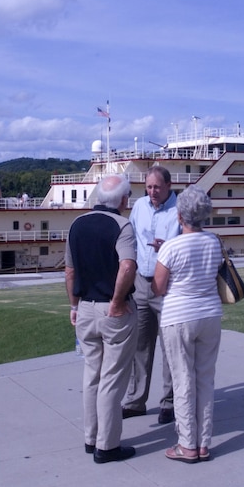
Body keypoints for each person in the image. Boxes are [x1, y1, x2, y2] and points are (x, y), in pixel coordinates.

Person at [65, 174, 139, 464]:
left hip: (84, 307)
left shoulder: (76, 224)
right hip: (113, 311)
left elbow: (70, 271)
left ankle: (90, 437)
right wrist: (119, 301)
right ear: (122, 200)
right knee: (112, 379)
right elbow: (128, 265)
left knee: (91, 375)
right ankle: (107, 446)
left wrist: (73, 305)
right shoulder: (122, 226)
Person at [152, 185, 223, 464]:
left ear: (180, 216)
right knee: (205, 379)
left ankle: (186, 445)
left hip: (179, 316)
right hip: (210, 314)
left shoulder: (170, 247)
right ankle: (203, 443)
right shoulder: (214, 242)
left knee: (182, 380)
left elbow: (159, 288)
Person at [122, 166, 181, 425]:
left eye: (157, 187)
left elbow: (185, 244)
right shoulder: (139, 207)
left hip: (168, 286)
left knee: (170, 347)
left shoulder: (180, 209)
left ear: (168, 185)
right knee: (140, 345)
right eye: (148, 187)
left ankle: (169, 403)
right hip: (141, 283)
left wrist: (165, 247)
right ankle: (136, 401)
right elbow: (132, 238)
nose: (152, 192)